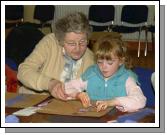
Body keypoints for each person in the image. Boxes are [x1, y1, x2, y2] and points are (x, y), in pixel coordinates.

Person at [17, 12, 95, 100]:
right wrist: (49, 84)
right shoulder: (50, 43)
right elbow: (23, 71)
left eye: (82, 42)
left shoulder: (90, 59)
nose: (77, 49)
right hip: (31, 100)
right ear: (61, 40)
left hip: (64, 109)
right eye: (71, 43)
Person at [64, 35, 146, 112]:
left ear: (121, 61)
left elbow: (140, 100)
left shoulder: (127, 78)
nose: (104, 67)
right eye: (99, 62)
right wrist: (77, 94)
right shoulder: (91, 74)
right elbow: (65, 88)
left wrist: (113, 102)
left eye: (110, 63)